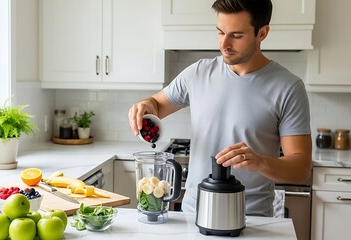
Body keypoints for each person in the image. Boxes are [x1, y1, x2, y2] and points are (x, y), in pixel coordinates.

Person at [128, 0, 312, 217]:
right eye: (220, 32)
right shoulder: (197, 73)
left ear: (262, 33)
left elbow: (300, 168)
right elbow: (156, 105)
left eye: (236, 35)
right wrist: (147, 104)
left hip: (251, 220)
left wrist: (260, 162)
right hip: (193, 216)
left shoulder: (288, 87)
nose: (224, 44)